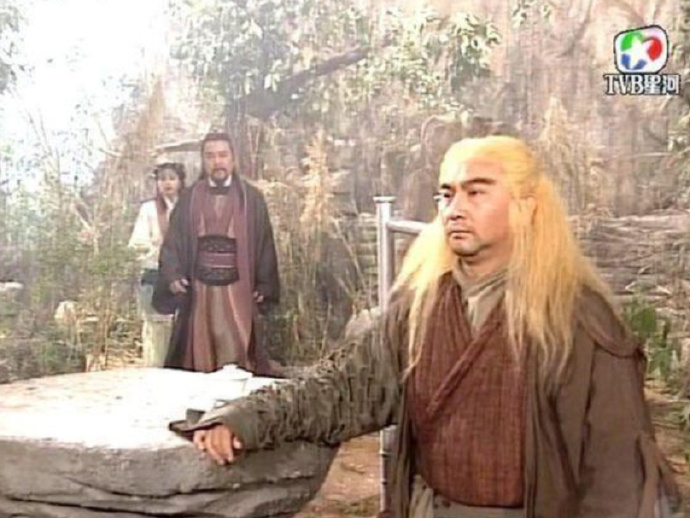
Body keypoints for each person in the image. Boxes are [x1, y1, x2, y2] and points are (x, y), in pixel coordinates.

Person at [173, 136, 681, 518]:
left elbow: (618, 475)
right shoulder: (420, 308)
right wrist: (243, 417)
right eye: (447, 195)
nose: (454, 210)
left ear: (526, 206)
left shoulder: (579, 320)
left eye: (476, 193)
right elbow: (338, 389)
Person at [153, 132, 280, 375]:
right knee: (198, 352)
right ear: (203, 161)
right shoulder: (189, 199)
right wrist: (173, 275)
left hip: (239, 290)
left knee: (239, 350)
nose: (217, 161)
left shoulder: (251, 199)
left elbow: (265, 243)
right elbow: (172, 243)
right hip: (200, 292)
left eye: (223, 155)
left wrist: (265, 284)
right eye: (210, 156)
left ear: (233, 159)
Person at [129, 162, 185, 367]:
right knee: (155, 331)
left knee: (181, 331)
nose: (167, 183)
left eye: (172, 178)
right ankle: (154, 372)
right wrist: (158, 249)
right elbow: (137, 244)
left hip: (183, 277)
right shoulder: (149, 209)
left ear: (180, 181)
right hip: (155, 274)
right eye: (162, 179)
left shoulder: (188, 207)